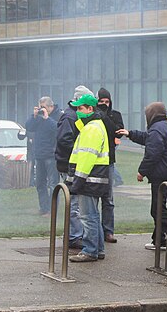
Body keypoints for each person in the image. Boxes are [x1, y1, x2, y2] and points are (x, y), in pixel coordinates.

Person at [117, 102, 167, 253]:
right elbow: (147, 138)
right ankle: (159, 239)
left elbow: (152, 154)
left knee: (158, 208)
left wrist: (142, 171)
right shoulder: (162, 126)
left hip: (161, 175)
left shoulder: (157, 129)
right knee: (157, 207)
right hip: (164, 173)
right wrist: (130, 134)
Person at [67, 93, 110, 263]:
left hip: (89, 179)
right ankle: (97, 249)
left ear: (90, 109)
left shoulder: (92, 128)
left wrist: (77, 181)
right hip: (94, 179)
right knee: (92, 215)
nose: (77, 111)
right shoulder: (93, 125)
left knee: (87, 217)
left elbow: (86, 158)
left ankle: (90, 250)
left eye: (80, 108)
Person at [56, 86, 91, 249]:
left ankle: (74, 234)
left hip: (70, 163)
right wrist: (79, 153)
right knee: (74, 202)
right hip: (69, 165)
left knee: (75, 202)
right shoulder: (70, 117)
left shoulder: (72, 115)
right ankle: (74, 236)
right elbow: (64, 140)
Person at [25, 97, 62, 215]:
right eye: (40, 107)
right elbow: (29, 127)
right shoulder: (38, 118)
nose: (42, 110)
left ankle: (53, 209)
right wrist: (34, 116)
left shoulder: (59, 115)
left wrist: (47, 119)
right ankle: (44, 208)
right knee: (40, 183)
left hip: (52, 155)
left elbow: (58, 130)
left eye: (44, 108)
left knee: (52, 184)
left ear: (51, 107)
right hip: (39, 154)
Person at [96, 88, 124, 244]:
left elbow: (117, 132)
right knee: (93, 198)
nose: (104, 104)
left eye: (107, 102)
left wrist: (105, 116)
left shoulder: (115, 115)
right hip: (94, 160)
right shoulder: (94, 114)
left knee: (108, 198)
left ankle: (108, 231)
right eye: (102, 102)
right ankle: (96, 231)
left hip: (108, 160)